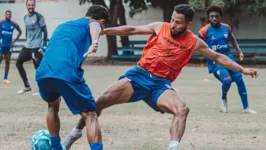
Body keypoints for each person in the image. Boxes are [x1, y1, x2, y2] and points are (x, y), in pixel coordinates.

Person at [62, 4, 259, 150]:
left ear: (188, 24)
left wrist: (242, 70)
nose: (173, 24)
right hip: (139, 76)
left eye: (178, 22)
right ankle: (74, 134)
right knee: (99, 102)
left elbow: (218, 57)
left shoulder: (193, 41)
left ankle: (173, 147)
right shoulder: (161, 27)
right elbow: (131, 29)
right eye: (172, 20)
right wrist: (103, 32)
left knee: (182, 109)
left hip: (160, 85)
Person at [35, 5, 109, 150]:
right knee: (90, 115)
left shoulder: (64, 25)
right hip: (66, 72)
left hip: (44, 71)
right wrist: (94, 42)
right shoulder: (94, 23)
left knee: (52, 104)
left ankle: (56, 147)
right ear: (102, 21)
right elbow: (94, 25)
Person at [198, 5, 257, 114]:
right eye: (211, 16)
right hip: (215, 62)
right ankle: (223, 100)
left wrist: (239, 51)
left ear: (220, 17)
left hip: (228, 58)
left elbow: (232, 39)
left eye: (216, 16)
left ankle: (246, 108)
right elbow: (196, 44)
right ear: (208, 18)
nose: (214, 18)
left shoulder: (226, 27)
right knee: (227, 80)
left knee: (240, 79)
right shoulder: (204, 31)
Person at [16, 0, 48, 94]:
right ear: (26, 5)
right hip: (28, 46)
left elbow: (44, 31)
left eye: (32, 5)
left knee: (38, 68)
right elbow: (27, 31)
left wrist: (44, 44)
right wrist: (27, 41)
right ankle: (27, 86)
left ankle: (43, 90)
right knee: (18, 63)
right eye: (29, 5)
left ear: (35, 5)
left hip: (37, 46)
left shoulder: (39, 17)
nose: (31, 6)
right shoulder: (25, 17)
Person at [0, 10, 22, 84]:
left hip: (9, 45)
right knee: (0, 58)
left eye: (10, 14)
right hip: (1, 45)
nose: (8, 15)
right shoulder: (1, 22)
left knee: (7, 61)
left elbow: (20, 32)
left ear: (11, 15)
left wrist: (14, 41)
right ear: (5, 15)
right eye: (7, 14)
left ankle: (5, 78)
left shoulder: (13, 24)